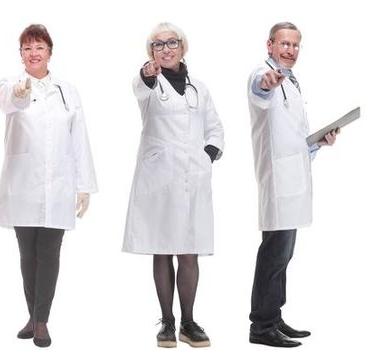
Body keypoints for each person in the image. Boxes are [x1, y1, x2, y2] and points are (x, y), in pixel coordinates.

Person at [0, 23, 98, 348]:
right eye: (27, 48)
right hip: (23, 184)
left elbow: (78, 138)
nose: (33, 53)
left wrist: (84, 186)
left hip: (59, 185)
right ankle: (32, 313)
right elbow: (9, 102)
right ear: (21, 54)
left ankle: (41, 321)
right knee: (28, 255)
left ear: (50, 52)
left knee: (49, 253)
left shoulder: (68, 91)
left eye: (39, 47)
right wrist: (19, 93)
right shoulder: (9, 84)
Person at [122, 22, 224, 348]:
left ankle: (188, 322)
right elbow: (140, 85)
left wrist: (207, 156)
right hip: (160, 180)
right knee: (163, 251)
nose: (166, 48)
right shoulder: (151, 85)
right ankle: (167, 322)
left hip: (192, 178)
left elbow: (215, 129)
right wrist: (147, 74)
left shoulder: (200, 88)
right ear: (151, 52)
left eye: (172, 42)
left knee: (189, 253)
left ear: (183, 46)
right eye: (158, 44)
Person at [245, 21, 338, 348]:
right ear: (269, 45)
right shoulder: (263, 74)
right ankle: (261, 326)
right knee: (274, 253)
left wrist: (317, 143)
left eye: (296, 45)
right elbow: (260, 90)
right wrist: (267, 83)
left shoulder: (293, 81)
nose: (290, 51)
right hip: (278, 180)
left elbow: (291, 136)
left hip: (293, 176)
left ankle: (274, 316)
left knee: (283, 255)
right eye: (284, 44)